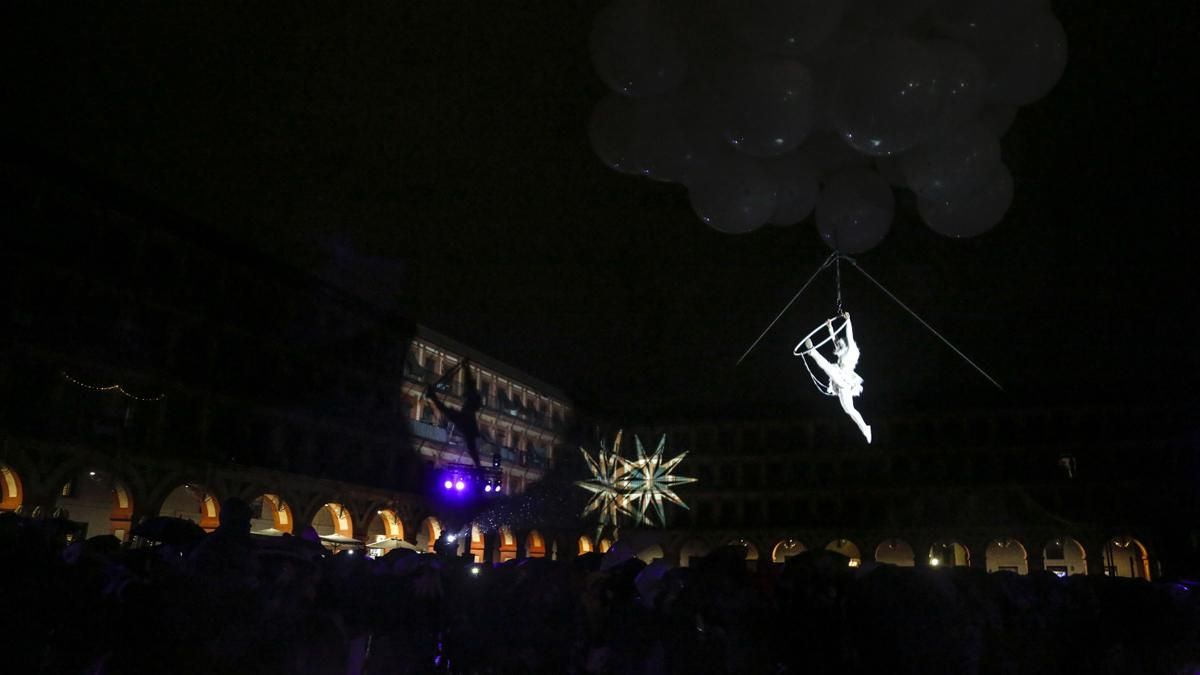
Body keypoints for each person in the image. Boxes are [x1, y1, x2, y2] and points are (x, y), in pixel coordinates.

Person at [803, 313, 871, 443]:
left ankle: (812, 351)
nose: (837, 347)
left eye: (840, 346)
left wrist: (848, 320)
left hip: (844, 382)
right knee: (849, 410)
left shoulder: (850, 350)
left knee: (828, 368)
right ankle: (865, 428)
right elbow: (834, 339)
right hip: (841, 386)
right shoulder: (841, 353)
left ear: (844, 345)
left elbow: (849, 336)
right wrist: (830, 327)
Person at [425, 359, 484, 467]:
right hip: (466, 422)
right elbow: (469, 384)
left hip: (465, 422)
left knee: (446, 410)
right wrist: (466, 368)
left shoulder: (469, 408)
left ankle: (432, 396)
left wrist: (466, 368)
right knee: (447, 411)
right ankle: (432, 396)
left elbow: (469, 384)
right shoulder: (470, 406)